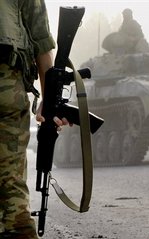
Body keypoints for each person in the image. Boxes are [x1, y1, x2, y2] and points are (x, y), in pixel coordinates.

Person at [0, 1, 68, 238]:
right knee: (10, 181)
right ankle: (18, 228)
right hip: (5, 83)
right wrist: (50, 100)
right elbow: (40, 39)